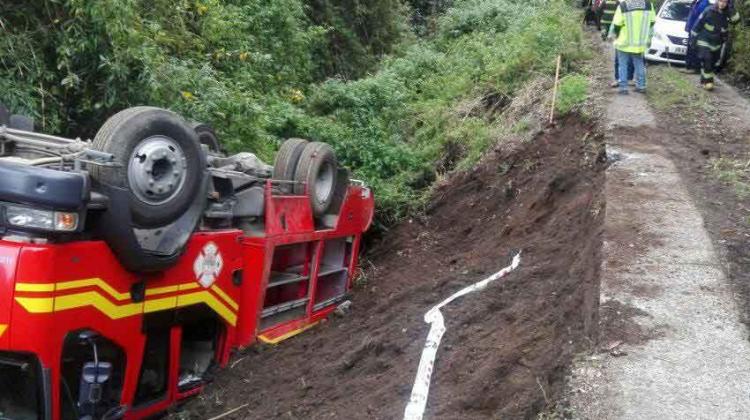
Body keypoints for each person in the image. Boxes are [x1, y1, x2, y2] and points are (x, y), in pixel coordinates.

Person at [690, 0, 740, 90]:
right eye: (720, 1)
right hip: (704, 39)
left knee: (712, 62)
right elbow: (698, 24)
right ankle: (708, 82)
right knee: (707, 58)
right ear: (717, 1)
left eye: (724, 2)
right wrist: (692, 39)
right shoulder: (708, 10)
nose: (722, 4)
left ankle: (703, 80)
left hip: (717, 42)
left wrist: (731, 8)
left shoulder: (728, 12)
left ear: (727, 3)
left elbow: (736, 20)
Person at [610, 0, 656, 94]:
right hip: (639, 42)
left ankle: (623, 88)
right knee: (639, 63)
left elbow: (617, 24)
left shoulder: (623, 5)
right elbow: (652, 22)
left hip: (624, 41)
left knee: (622, 65)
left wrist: (617, 35)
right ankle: (641, 86)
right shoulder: (648, 4)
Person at [601, 0, 635, 87]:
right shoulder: (620, 5)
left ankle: (625, 79)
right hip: (624, 38)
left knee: (625, 60)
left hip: (627, 38)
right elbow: (615, 22)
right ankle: (621, 79)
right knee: (622, 60)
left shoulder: (627, 6)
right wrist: (611, 34)